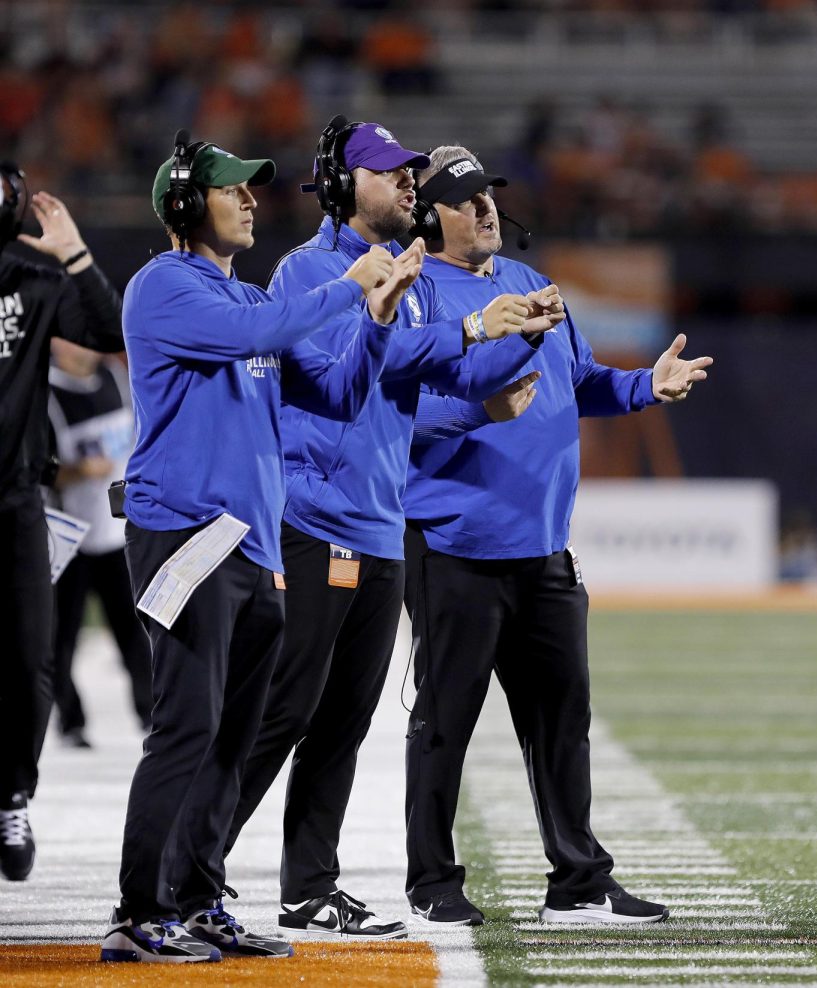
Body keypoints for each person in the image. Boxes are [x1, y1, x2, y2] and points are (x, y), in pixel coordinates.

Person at [221, 118, 561, 941]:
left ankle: (308, 887)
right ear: (343, 185)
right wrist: (474, 328)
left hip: (377, 524)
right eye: (391, 172)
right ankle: (193, 862)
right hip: (315, 519)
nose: (410, 183)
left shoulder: (404, 277)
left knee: (343, 720)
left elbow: (436, 377)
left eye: (412, 174)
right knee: (283, 710)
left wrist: (518, 334)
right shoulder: (312, 270)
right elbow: (358, 368)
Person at [100, 133, 417, 964]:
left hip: (252, 546)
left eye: (250, 189)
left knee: (236, 736)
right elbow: (271, 329)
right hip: (188, 538)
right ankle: (138, 912)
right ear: (181, 205)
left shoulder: (243, 306)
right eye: (229, 189)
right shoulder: (164, 287)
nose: (248, 200)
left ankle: (200, 898)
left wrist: (377, 320)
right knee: (186, 726)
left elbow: (342, 393)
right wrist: (351, 287)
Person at [402, 146, 713, 925]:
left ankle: (576, 881)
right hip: (453, 546)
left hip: (542, 548)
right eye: (465, 199)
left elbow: (579, 384)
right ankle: (432, 884)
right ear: (428, 213)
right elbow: (392, 413)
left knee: (561, 722)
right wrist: (479, 409)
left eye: (489, 196)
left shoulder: (530, 283)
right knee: (445, 724)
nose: (485, 210)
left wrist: (646, 386)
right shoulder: (409, 294)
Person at [0, 161, 124, 883]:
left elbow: (106, 329)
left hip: (18, 500)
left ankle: (11, 793)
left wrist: (73, 253)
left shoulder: (30, 281)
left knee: (29, 659)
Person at [47, 339, 152, 748]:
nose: (84, 349)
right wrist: (77, 470)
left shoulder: (115, 376)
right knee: (61, 636)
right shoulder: (48, 394)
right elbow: (39, 467)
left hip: (119, 534)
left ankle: (151, 713)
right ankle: (70, 722)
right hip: (72, 535)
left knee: (135, 631)